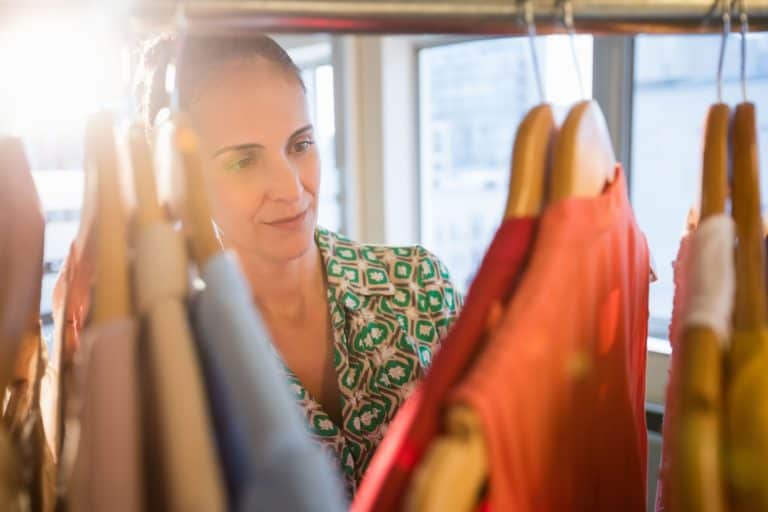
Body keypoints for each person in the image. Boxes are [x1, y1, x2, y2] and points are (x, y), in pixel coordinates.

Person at [132, 33, 462, 493]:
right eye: (243, 162)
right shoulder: (180, 358)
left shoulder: (421, 289)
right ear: (184, 181)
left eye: (300, 144)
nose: (290, 189)